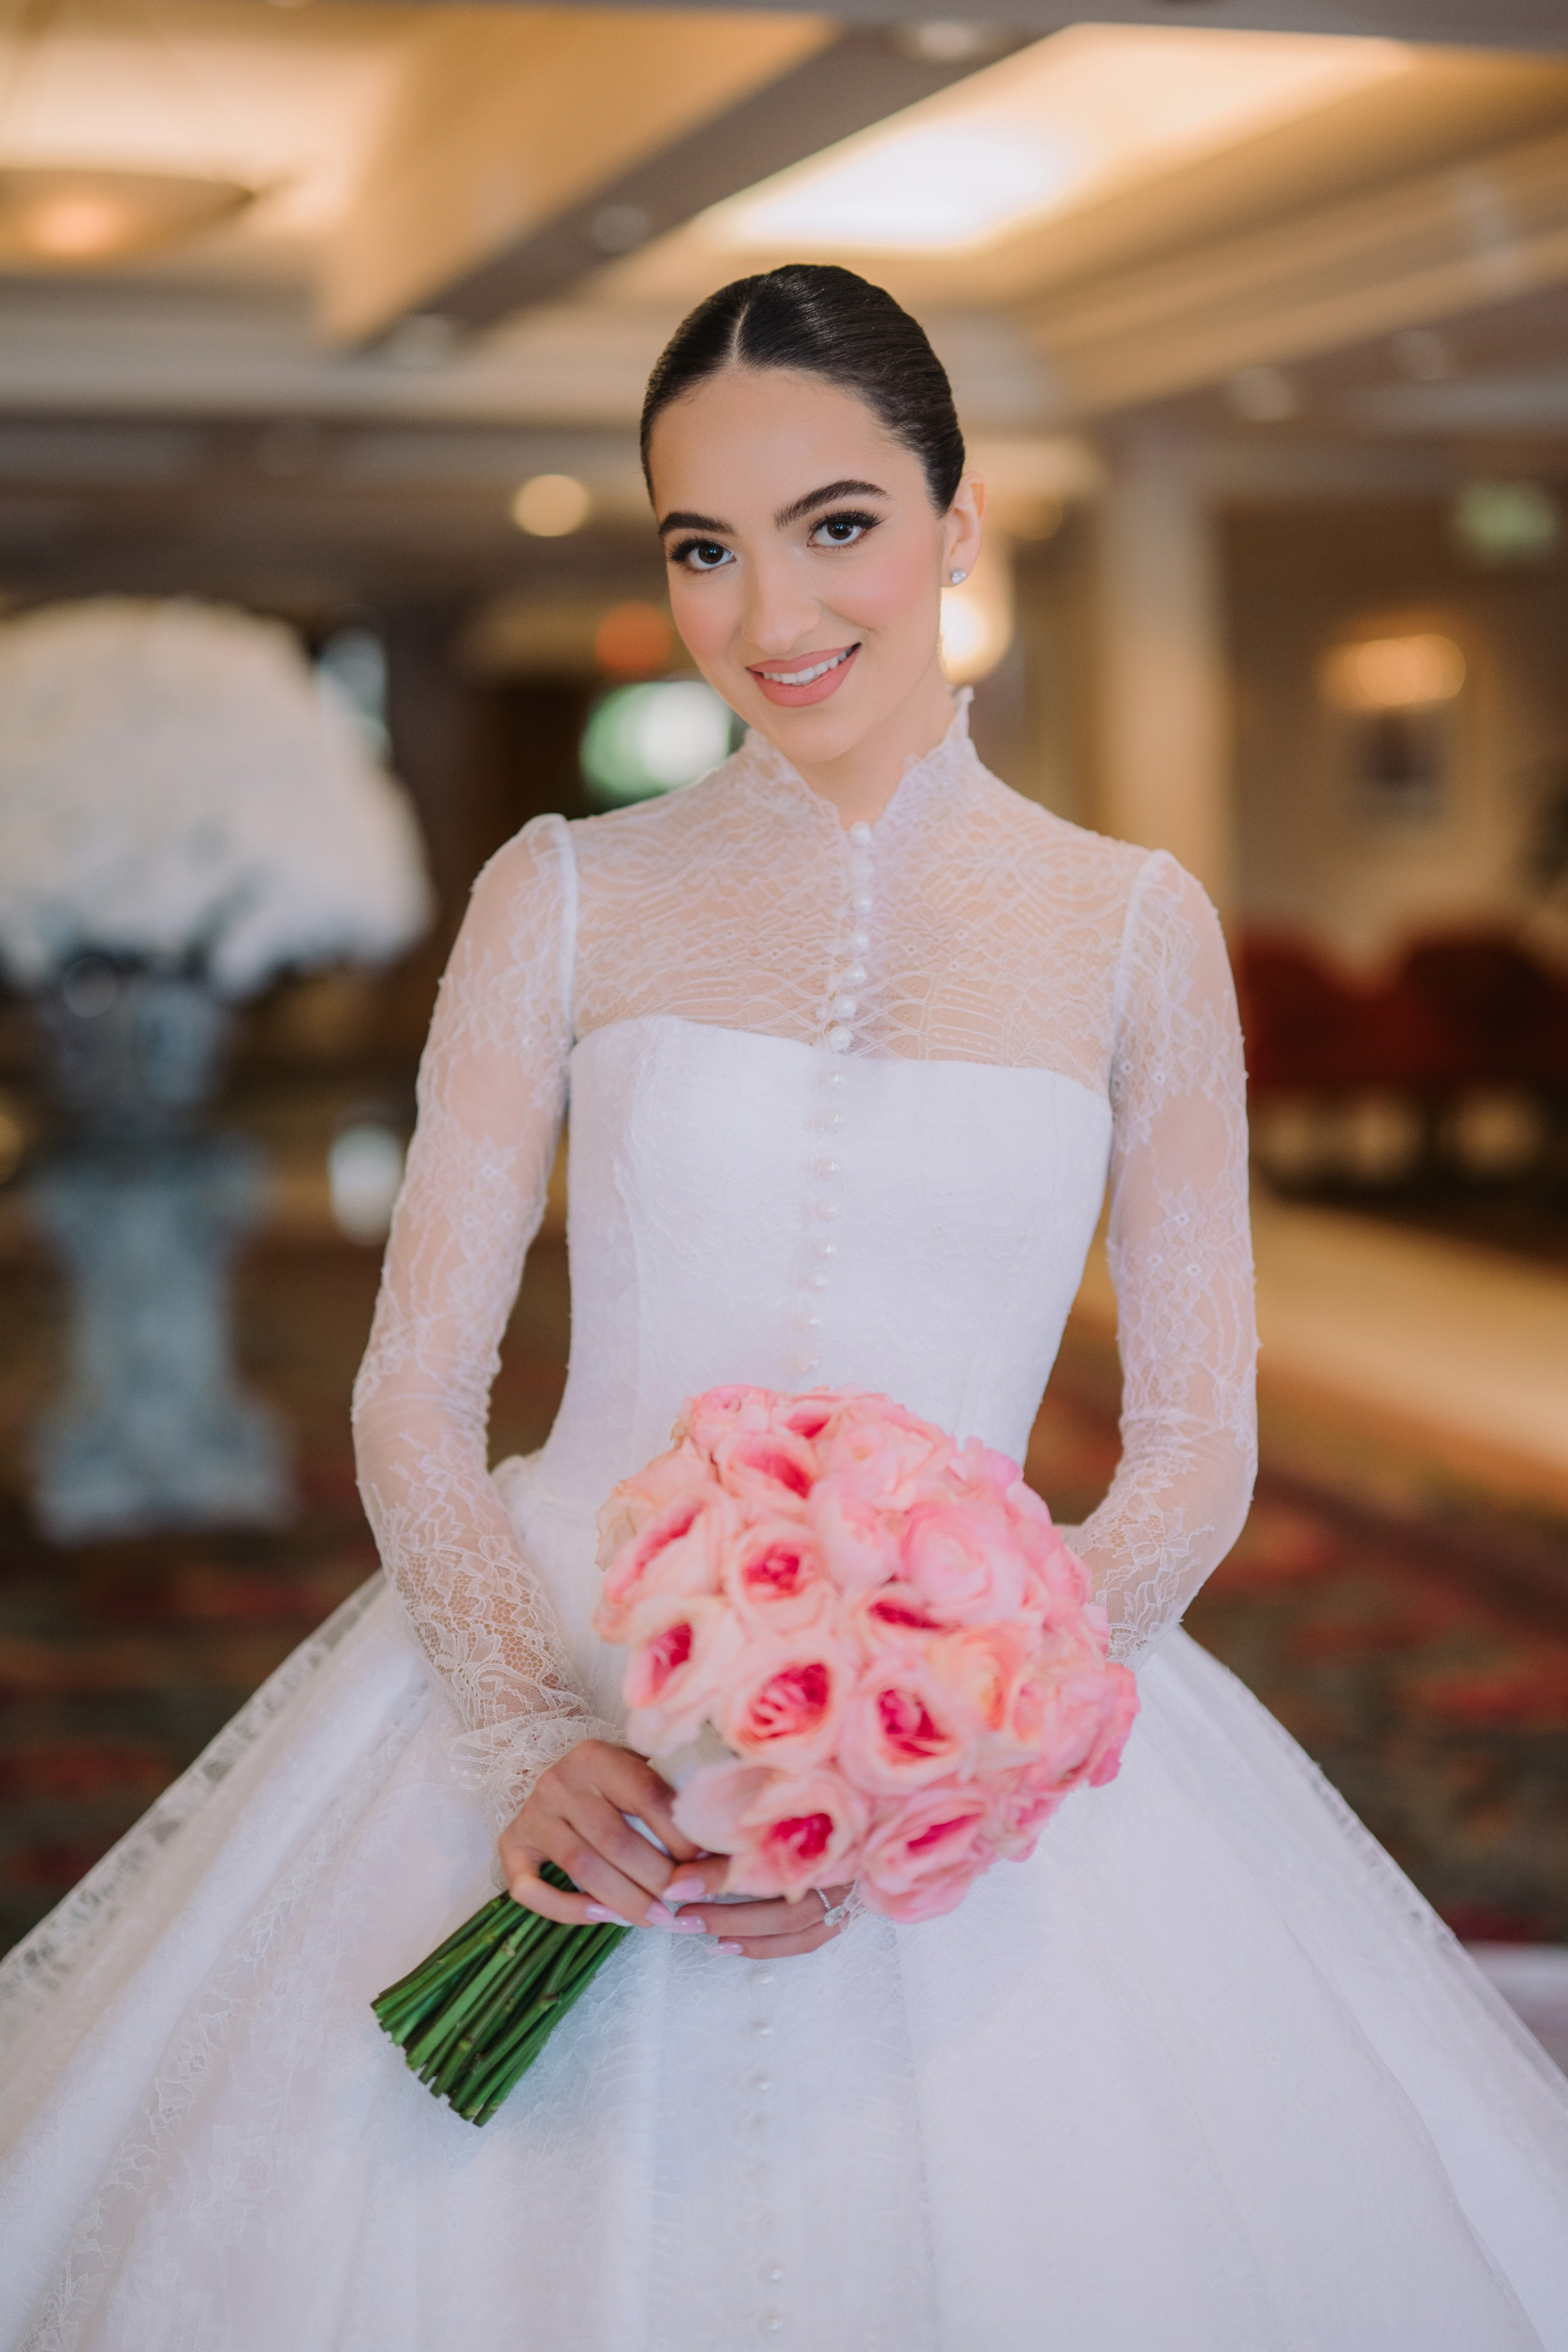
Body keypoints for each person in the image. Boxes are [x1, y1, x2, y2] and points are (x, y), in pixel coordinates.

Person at [2, 264, 1566, 2352]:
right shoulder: (564, 893)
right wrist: (523, 1730)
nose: (769, 612)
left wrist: (949, 1762)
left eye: (835, 524)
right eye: (704, 550)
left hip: (976, 1713)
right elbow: (412, 1392)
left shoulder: (1132, 931)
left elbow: (1196, 1445)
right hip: (565, 1680)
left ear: (955, 522)